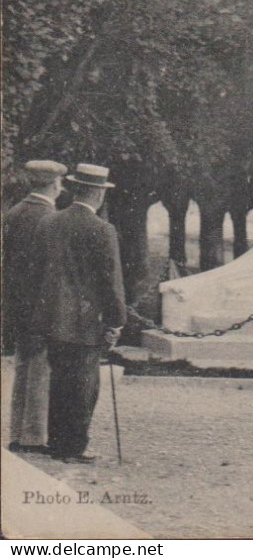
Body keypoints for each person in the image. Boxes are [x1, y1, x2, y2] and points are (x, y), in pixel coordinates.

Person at [32, 163, 126, 464]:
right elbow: (111, 281)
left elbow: (36, 270)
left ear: (74, 188)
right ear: (99, 192)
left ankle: (57, 443)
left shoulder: (49, 222)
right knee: (85, 385)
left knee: (59, 379)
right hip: (87, 320)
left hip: (52, 317)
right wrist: (116, 321)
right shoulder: (102, 229)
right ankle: (75, 445)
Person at [3, 160, 66, 454]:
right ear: (54, 185)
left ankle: (18, 432)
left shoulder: (14, 213)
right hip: (43, 304)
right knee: (41, 369)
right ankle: (34, 436)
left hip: (18, 303)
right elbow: (51, 270)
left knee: (23, 367)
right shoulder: (51, 218)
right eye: (60, 184)